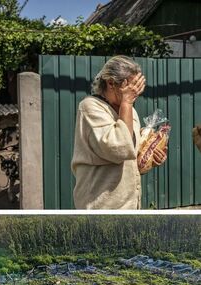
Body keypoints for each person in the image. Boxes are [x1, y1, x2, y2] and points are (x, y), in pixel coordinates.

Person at [71, 55, 167, 209]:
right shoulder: (90, 107)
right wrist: (127, 103)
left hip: (128, 206)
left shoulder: (130, 111)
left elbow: (129, 159)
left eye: (137, 89)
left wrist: (148, 158)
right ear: (111, 83)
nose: (134, 94)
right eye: (130, 87)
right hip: (100, 207)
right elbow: (118, 150)